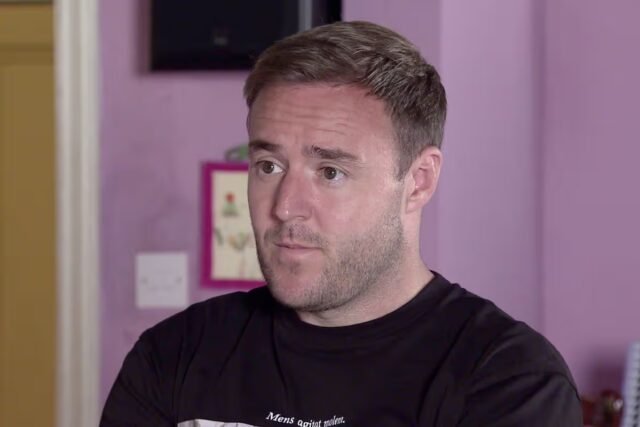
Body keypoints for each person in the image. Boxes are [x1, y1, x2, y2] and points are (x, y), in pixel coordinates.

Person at [101, 21, 582, 426]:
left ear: (418, 181)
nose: (286, 207)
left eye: (330, 172)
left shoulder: (508, 379)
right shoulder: (176, 354)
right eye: (269, 166)